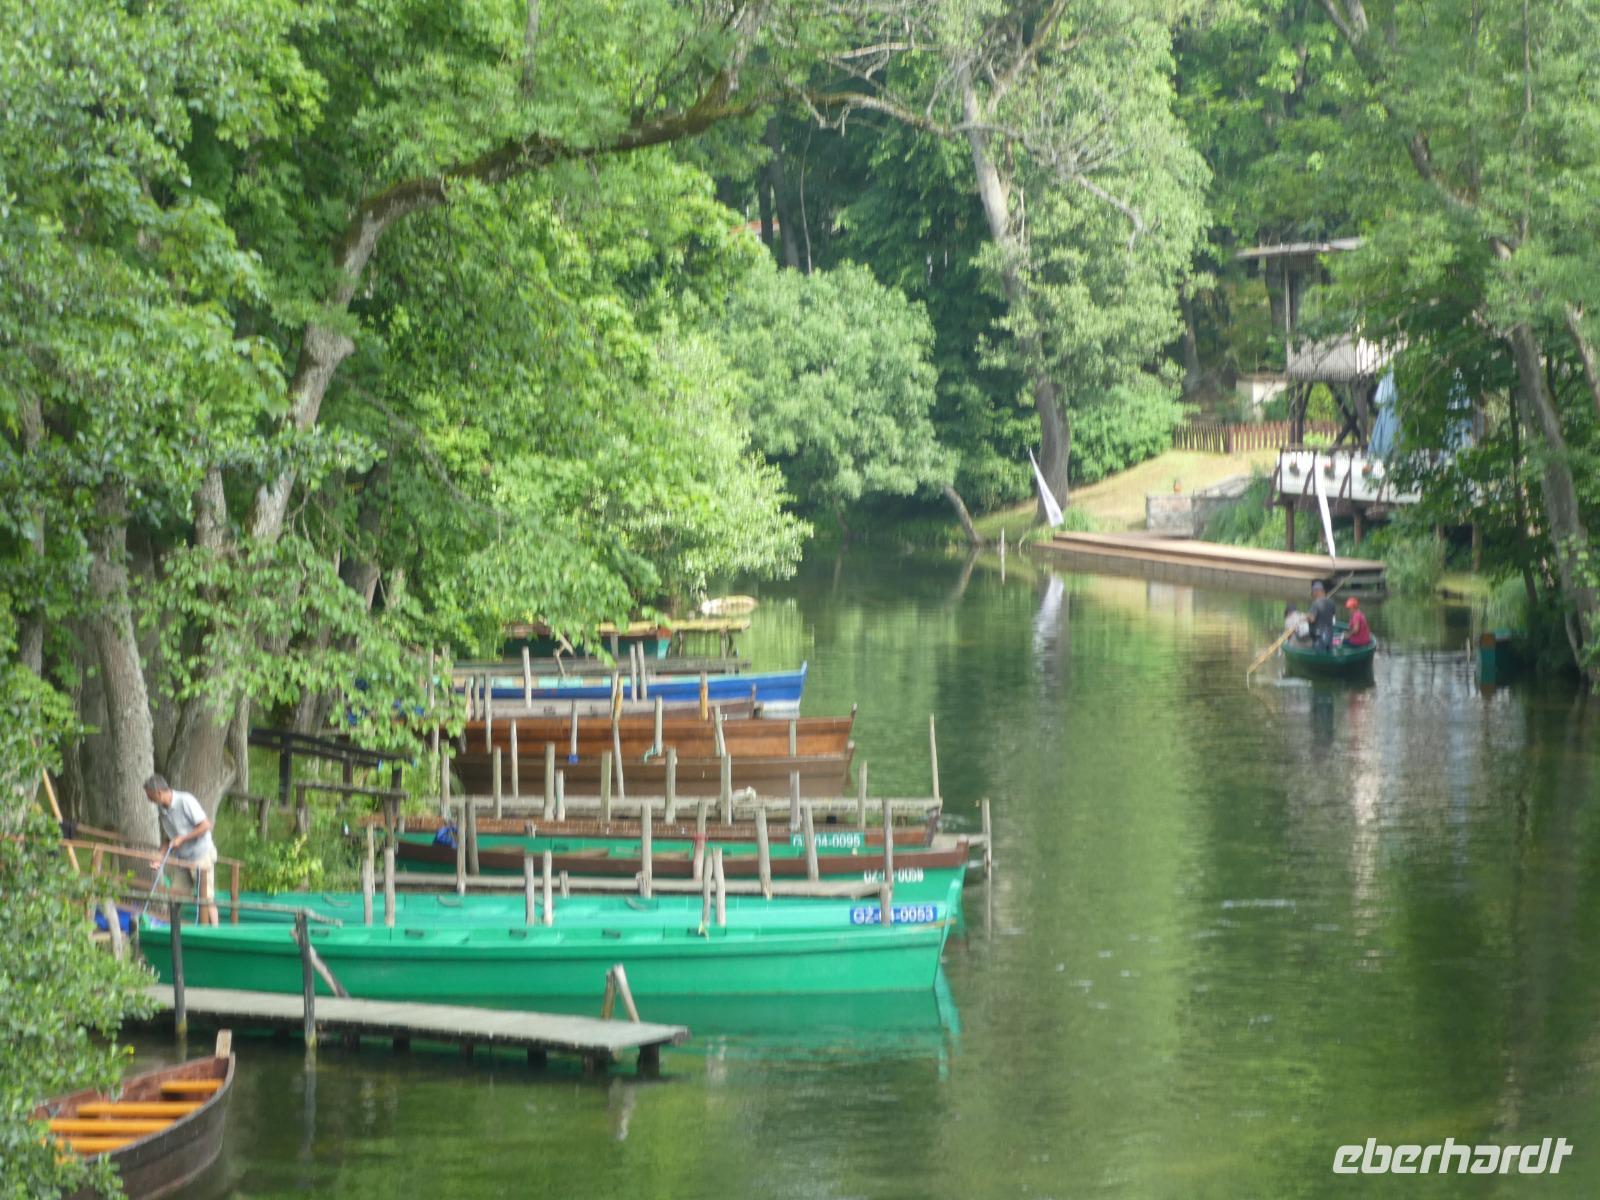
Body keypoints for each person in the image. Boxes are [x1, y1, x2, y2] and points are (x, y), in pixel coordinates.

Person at [145, 774, 219, 926]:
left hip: (201, 854)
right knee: (174, 895)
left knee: (206, 897)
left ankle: (213, 932)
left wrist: (183, 838)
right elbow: (169, 837)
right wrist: (159, 856)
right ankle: (175, 930)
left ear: (159, 792)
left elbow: (205, 825)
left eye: (150, 796)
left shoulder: (185, 800)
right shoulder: (162, 809)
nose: (149, 799)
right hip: (183, 858)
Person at [1307, 580, 1336, 652]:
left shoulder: (1315, 604)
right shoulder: (1332, 602)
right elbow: (1332, 616)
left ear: (1317, 591)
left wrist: (1306, 616)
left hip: (1319, 636)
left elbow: (1312, 619)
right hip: (1329, 634)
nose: (1313, 594)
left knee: (1319, 656)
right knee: (1328, 654)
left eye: (1313, 592)